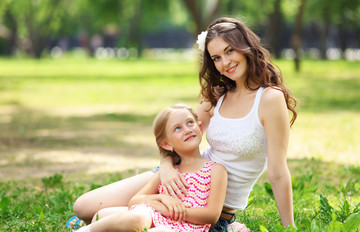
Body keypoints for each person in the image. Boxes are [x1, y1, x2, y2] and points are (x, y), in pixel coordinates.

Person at [68, 16, 297, 231]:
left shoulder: (269, 99)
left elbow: (277, 173)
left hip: (204, 206)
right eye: (216, 58)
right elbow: (179, 137)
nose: (225, 63)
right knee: (83, 206)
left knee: (112, 218)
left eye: (229, 51)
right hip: (177, 178)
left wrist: (290, 228)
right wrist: (167, 169)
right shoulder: (218, 95)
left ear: (246, 47)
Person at [72, 104, 227, 232]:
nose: (187, 129)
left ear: (200, 128)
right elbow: (135, 201)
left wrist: (174, 211)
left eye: (190, 123)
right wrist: (160, 199)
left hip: (186, 227)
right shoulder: (168, 171)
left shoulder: (215, 170)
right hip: (153, 216)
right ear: (167, 144)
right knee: (110, 214)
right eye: (177, 128)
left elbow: (212, 215)